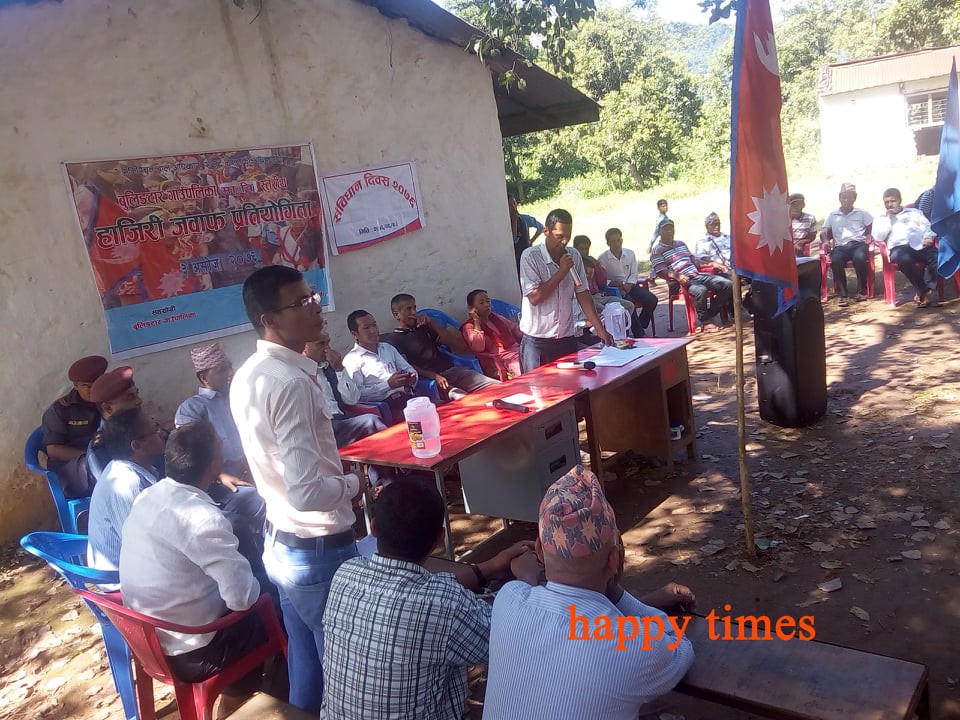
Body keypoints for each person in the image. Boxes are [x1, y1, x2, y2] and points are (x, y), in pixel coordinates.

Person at [230, 265, 366, 713]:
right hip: (318, 548)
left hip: (283, 544)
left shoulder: (250, 373)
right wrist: (353, 483)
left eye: (313, 296)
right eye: (302, 302)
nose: (316, 308)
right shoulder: (289, 383)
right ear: (270, 318)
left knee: (306, 661)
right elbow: (306, 492)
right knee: (345, 673)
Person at [483, 466, 696, 720]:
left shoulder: (508, 600)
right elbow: (679, 644)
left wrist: (529, 578)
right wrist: (619, 593)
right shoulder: (636, 643)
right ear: (614, 559)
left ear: (539, 550)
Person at [321, 479, 534, 720]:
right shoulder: (446, 606)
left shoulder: (346, 574)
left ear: (373, 527)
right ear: (439, 539)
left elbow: (427, 592)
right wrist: (527, 581)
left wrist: (489, 567)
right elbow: (512, 638)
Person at [120, 421, 266, 698]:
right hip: (193, 653)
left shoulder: (147, 497)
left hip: (149, 644)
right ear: (214, 465)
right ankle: (261, 696)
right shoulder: (202, 519)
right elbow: (243, 599)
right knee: (280, 605)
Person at [518, 209, 613, 372]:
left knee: (574, 391)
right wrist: (561, 272)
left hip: (566, 339)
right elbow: (534, 297)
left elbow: (583, 293)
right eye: (559, 236)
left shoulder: (573, 255)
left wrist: (599, 328)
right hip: (537, 343)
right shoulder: (530, 257)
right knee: (541, 394)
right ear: (546, 231)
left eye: (568, 236)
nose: (564, 242)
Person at [86, 407, 164, 572]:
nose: (161, 433)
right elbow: (141, 546)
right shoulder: (128, 484)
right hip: (121, 578)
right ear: (136, 445)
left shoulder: (138, 469)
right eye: (155, 430)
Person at [387, 293, 499, 401]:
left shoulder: (423, 328)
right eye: (408, 309)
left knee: (494, 385)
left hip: (451, 371)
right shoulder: (395, 340)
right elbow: (407, 367)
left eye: (414, 308)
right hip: (431, 381)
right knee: (465, 399)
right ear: (397, 315)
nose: (413, 312)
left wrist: (431, 323)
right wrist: (433, 376)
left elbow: (452, 342)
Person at [40, 355, 108, 498]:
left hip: (106, 458)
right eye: (85, 386)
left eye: (95, 384)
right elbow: (53, 450)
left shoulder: (109, 402)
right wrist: (92, 456)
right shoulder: (60, 410)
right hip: (72, 468)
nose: (91, 390)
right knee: (94, 468)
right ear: (76, 385)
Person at [176, 343, 247, 477]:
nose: (230, 373)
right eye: (222, 370)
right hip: (221, 475)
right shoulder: (191, 408)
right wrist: (220, 474)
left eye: (229, 367)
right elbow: (193, 451)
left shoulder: (240, 396)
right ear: (204, 378)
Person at [651, 219, 732, 333]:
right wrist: (676, 276)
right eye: (666, 229)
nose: (669, 231)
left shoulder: (680, 244)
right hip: (679, 282)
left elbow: (694, 260)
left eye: (671, 228)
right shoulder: (657, 251)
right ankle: (705, 321)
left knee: (726, 284)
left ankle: (709, 313)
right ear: (659, 231)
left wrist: (712, 264)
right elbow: (661, 272)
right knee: (700, 290)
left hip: (696, 275)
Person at [341, 309, 420, 422]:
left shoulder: (387, 348)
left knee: (437, 408)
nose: (373, 331)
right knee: (414, 419)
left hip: (407, 397)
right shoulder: (352, 360)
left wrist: (412, 378)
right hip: (384, 407)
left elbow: (410, 370)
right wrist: (388, 385)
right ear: (355, 334)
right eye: (366, 328)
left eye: (374, 325)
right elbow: (358, 396)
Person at [872, 187, 939, 307]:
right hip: (898, 248)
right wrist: (887, 220)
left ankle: (927, 289)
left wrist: (928, 237)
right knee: (904, 259)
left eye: (893, 201)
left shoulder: (914, 213)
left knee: (936, 256)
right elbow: (878, 237)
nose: (890, 205)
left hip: (919, 245)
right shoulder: (881, 218)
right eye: (886, 202)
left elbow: (928, 227)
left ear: (899, 200)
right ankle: (925, 292)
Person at [87, 366, 145, 484]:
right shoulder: (101, 448)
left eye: (137, 394)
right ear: (108, 408)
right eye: (130, 397)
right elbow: (118, 487)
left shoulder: (145, 427)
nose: (139, 401)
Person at [597, 227, 658, 337]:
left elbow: (634, 273)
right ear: (607, 243)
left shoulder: (630, 254)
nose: (616, 244)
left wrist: (629, 285)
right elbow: (601, 280)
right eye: (613, 241)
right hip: (614, 289)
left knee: (652, 299)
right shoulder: (603, 258)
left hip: (630, 286)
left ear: (622, 240)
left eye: (618, 240)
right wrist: (617, 284)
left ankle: (640, 324)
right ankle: (639, 334)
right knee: (629, 303)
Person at [820, 182, 874, 307]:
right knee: (836, 260)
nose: (846, 200)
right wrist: (826, 241)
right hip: (841, 246)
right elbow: (824, 231)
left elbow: (872, 226)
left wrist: (869, 235)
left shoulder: (862, 212)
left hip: (858, 244)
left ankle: (862, 291)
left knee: (859, 258)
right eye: (844, 197)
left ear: (854, 198)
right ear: (840, 198)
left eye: (850, 197)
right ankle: (844, 295)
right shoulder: (833, 215)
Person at [460, 289, 523, 379]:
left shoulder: (495, 317)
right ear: (471, 308)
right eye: (481, 303)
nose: (487, 305)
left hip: (517, 351)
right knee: (523, 369)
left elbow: (515, 328)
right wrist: (476, 321)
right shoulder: (469, 327)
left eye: (488, 301)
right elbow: (478, 347)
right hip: (501, 359)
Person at [572, 236, 637, 322]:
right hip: (586, 298)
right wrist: (587, 278)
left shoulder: (591, 262)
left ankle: (619, 328)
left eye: (586, 249)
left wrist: (597, 267)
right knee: (608, 312)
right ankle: (604, 331)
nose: (584, 252)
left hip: (599, 296)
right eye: (581, 249)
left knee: (629, 305)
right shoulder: (573, 265)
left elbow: (602, 283)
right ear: (575, 249)